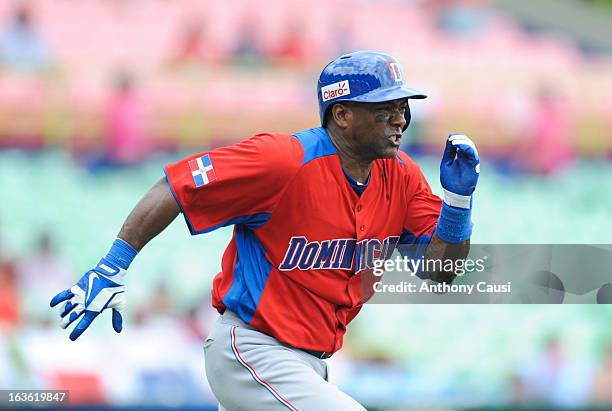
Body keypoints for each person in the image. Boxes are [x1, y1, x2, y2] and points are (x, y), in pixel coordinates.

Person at [50, 50, 480, 410]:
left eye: (403, 108)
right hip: (251, 348)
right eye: (384, 109)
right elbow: (177, 187)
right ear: (343, 114)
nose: (399, 119)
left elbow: (439, 270)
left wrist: (458, 203)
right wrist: (113, 265)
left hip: (311, 365)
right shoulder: (282, 160)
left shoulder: (402, 176)